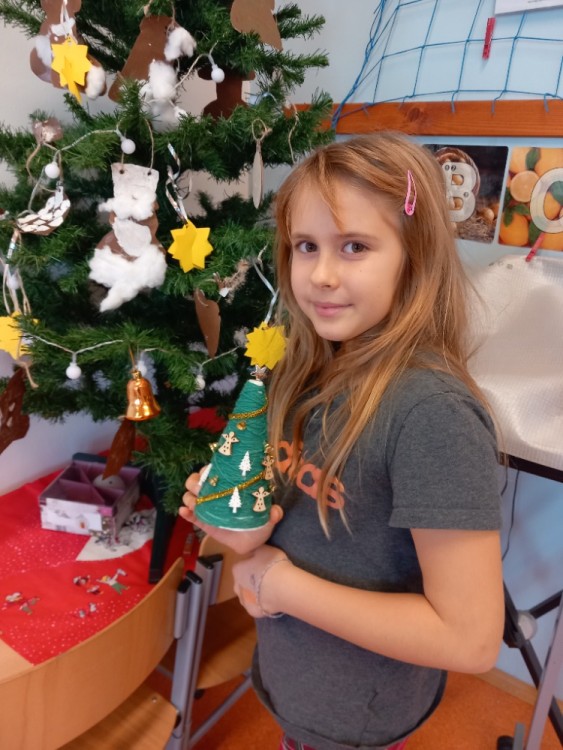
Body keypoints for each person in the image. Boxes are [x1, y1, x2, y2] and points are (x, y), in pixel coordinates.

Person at [180, 131, 504, 750]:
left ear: (414, 257)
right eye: (306, 246)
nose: (322, 275)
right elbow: (305, 521)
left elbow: (470, 640)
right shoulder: (302, 369)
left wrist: (278, 585)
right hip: (297, 681)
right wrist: (245, 531)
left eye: (354, 246)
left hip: (358, 717)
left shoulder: (431, 415)